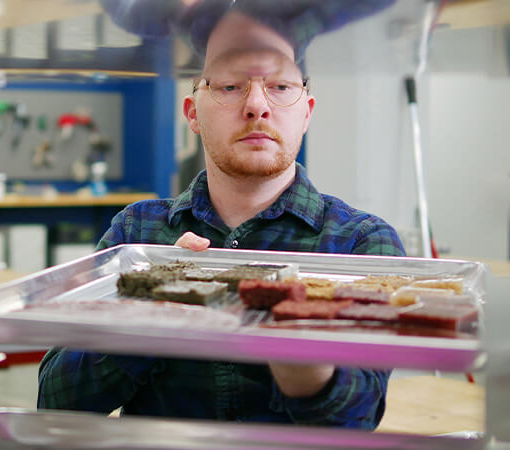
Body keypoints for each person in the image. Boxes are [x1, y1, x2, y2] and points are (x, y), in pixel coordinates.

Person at [38, 8, 405, 429]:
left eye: (280, 87)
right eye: (230, 86)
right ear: (192, 114)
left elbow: (361, 418)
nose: (256, 106)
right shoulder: (137, 234)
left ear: (306, 113)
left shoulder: (362, 242)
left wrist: (305, 367)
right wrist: (150, 309)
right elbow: (56, 400)